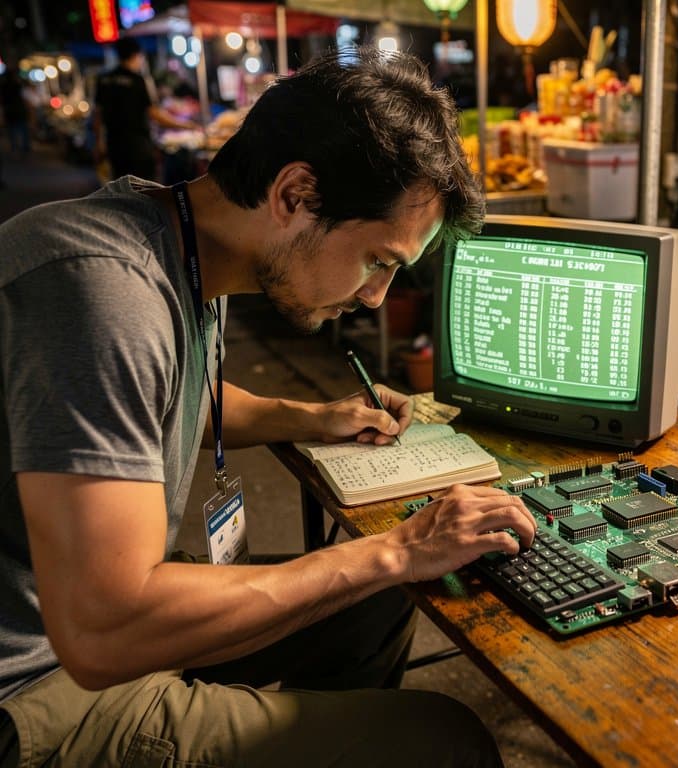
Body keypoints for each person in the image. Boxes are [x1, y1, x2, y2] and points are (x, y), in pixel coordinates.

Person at [0, 47, 536, 767]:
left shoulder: (173, 239)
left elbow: (152, 397)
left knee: (379, 599)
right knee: (448, 742)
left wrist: (313, 417)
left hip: (79, 632)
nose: (376, 295)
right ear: (295, 194)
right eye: (379, 259)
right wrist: (397, 547)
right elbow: (104, 630)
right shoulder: (103, 290)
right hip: (39, 687)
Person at [93, 37, 199, 181]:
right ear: (136, 55)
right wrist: (186, 125)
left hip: (114, 145)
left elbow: (98, 113)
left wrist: (99, 142)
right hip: (138, 146)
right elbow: (154, 114)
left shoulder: (103, 80)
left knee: (122, 186)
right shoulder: (140, 80)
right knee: (144, 188)